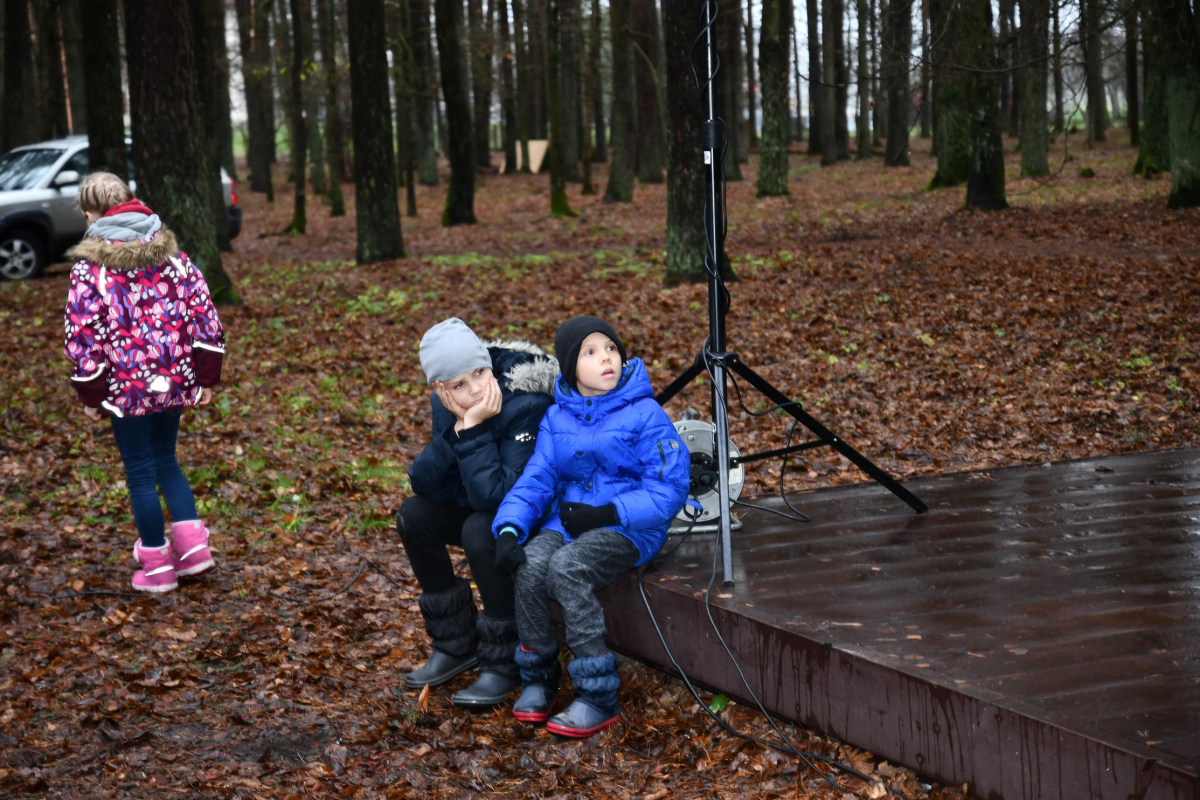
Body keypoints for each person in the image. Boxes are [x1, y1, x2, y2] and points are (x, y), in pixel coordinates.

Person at [491, 316, 690, 738]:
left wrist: (609, 513)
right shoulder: (555, 419)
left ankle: (598, 695)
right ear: (569, 368)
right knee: (527, 565)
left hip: (631, 527)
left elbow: (669, 489)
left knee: (566, 567)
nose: (606, 359)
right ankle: (539, 677)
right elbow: (537, 480)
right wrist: (509, 530)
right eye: (591, 352)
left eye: (611, 348)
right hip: (567, 525)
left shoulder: (645, 413)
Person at [62, 172, 225, 593]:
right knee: (166, 460)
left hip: (125, 387)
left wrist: (92, 391)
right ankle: (193, 552)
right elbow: (204, 315)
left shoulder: (90, 269)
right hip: (173, 379)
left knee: (139, 471)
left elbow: (83, 334)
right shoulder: (175, 259)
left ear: (90, 214)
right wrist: (205, 375)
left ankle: (156, 567)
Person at [397, 318, 558, 708]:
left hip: (532, 514)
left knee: (478, 528)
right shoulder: (450, 404)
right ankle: (456, 643)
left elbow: (501, 497)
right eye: (457, 385)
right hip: (486, 504)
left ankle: (505, 660)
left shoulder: (525, 398)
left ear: (487, 361)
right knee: (414, 515)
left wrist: (472, 430)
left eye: (480, 373)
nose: (474, 390)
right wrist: (458, 428)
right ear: (440, 389)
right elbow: (428, 484)